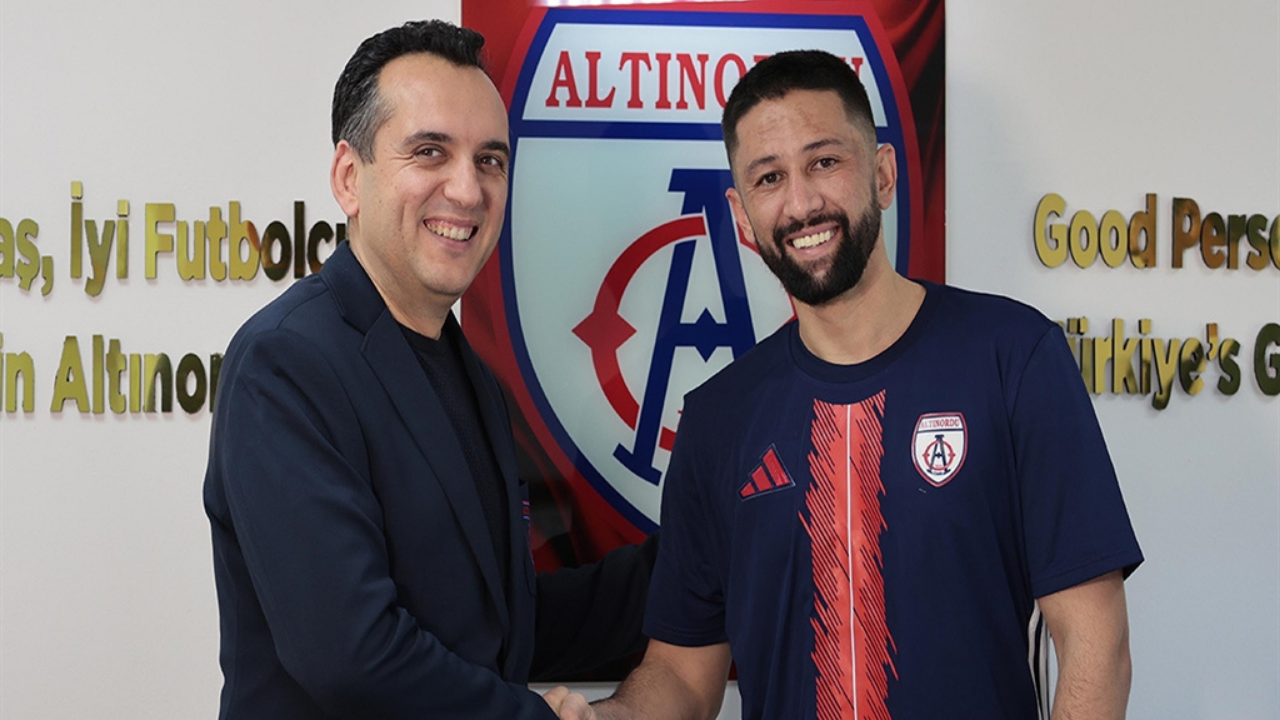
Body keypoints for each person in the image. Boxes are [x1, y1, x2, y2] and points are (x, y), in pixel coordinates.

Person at [556, 50, 1143, 720]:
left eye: (824, 162)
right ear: (742, 216)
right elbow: (682, 676)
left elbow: (1097, 647)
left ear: (883, 174)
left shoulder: (1013, 358)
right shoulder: (718, 419)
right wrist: (608, 718)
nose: (802, 203)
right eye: (769, 178)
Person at [203, 20, 653, 720]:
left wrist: (704, 556)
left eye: (490, 160)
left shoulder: (472, 376)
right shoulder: (285, 364)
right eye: (430, 152)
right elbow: (352, 656)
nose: (468, 191)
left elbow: (501, 624)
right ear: (349, 178)